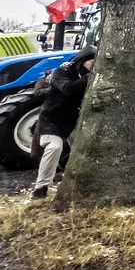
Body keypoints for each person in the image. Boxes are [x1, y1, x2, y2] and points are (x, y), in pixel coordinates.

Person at [31, 46, 96, 199]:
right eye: (90, 61)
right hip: (51, 120)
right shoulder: (63, 72)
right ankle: (40, 188)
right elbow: (68, 89)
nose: (92, 65)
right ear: (81, 61)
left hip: (73, 123)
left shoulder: (90, 76)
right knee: (54, 147)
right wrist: (90, 77)